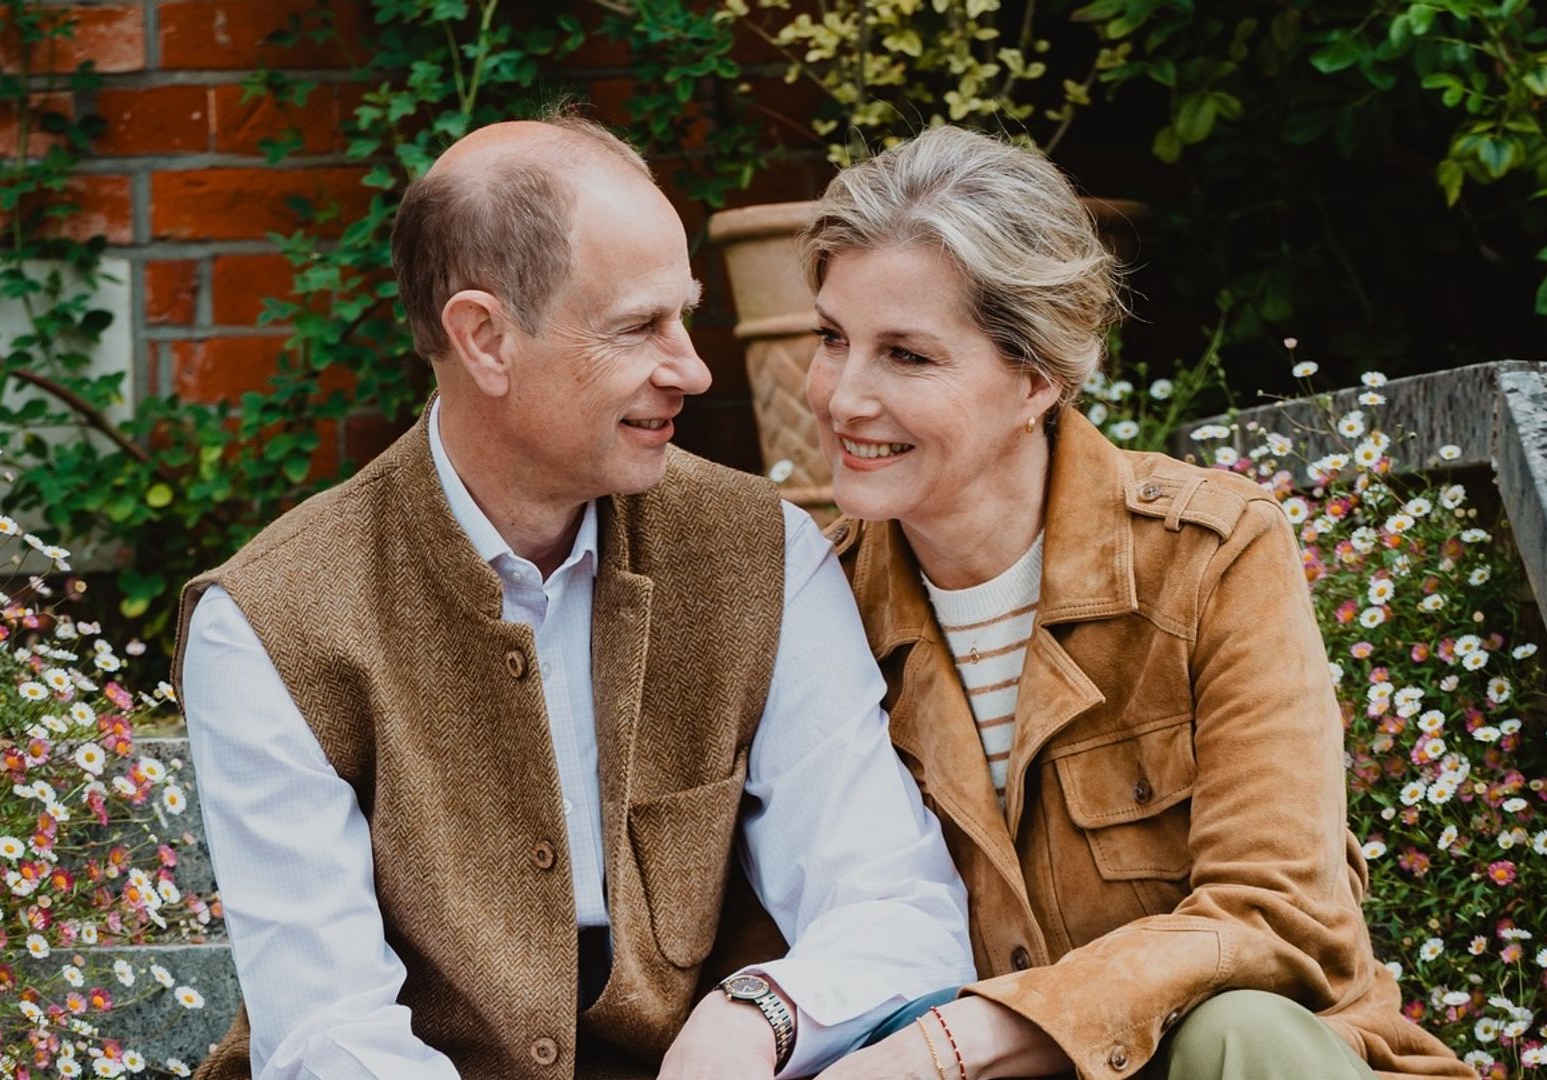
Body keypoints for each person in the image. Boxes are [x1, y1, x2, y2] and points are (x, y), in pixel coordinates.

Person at [174, 112, 975, 1080]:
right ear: (485, 339)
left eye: (681, 314)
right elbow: (328, 1033)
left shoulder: (762, 552)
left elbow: (898, 906)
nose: (692, 367)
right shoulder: (270, 620)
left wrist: (758, 1015)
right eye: (640, 326)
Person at [797, 126, 1471, 1080]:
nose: (842, 396)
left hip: (1242, 1063)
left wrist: (960, 1041)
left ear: (1037, 379)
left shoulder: (1210, 554)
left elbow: (1274, 912)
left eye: (906, 355)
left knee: (1238, 1028)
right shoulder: (812, 605)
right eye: (832, 338)